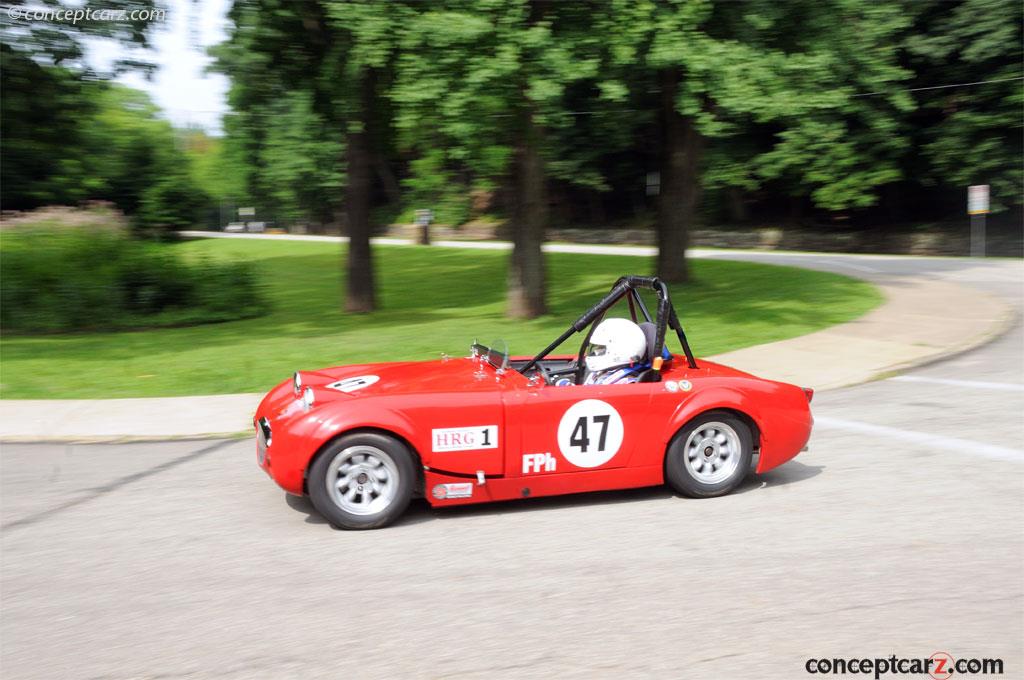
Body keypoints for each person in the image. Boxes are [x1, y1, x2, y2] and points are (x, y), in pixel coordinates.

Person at [581, 317, 649, 385]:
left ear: (621, 350)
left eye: (602, 349)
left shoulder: (627, 383)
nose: (596, 352)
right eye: (597, 348)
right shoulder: (599, 373)